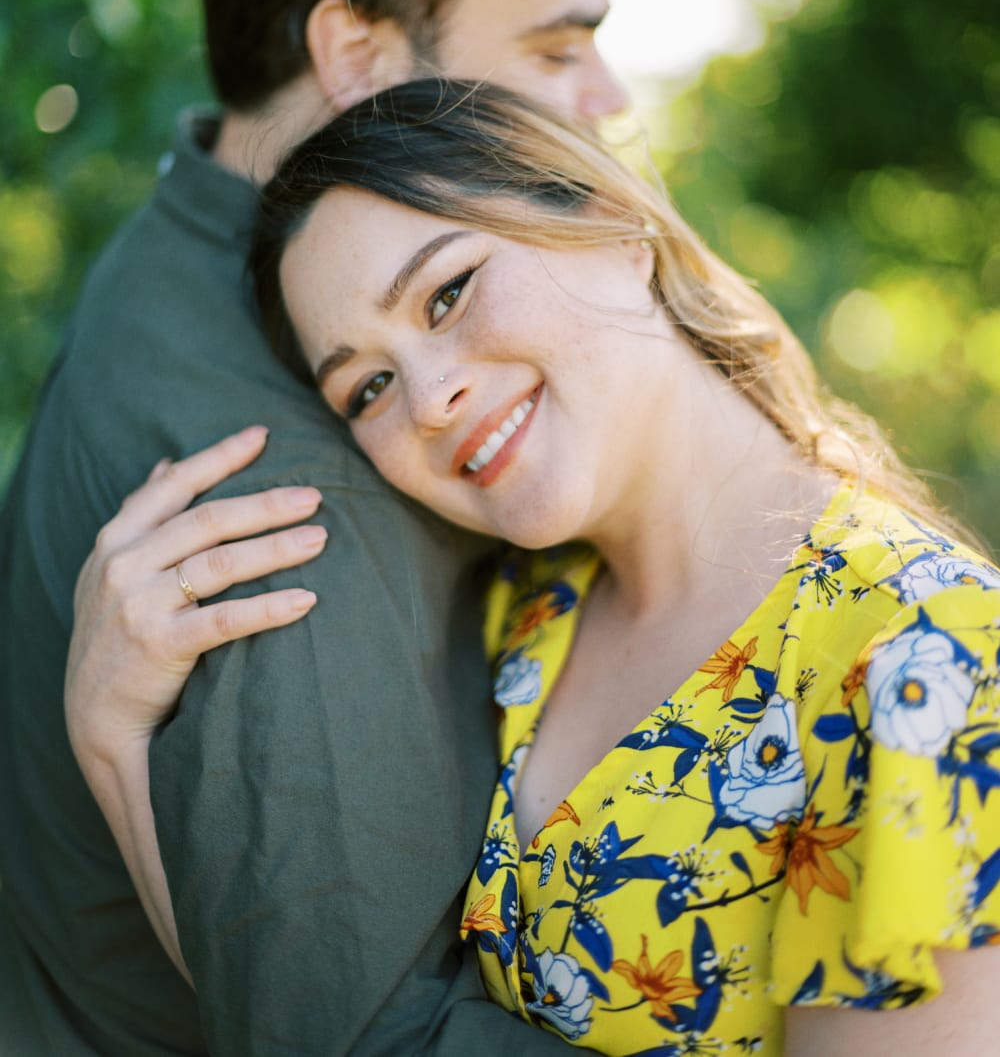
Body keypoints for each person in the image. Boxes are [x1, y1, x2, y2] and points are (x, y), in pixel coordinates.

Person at [68, 81, 1000, 1056]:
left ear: (613, 224)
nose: (429, 399)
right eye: (369, 385)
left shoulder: (931, 661)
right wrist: (114, 742)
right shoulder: (514, 613)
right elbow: (311, 1021)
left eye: (448, 291)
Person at [0, 0, 628, 1056]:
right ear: (355, 53)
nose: (605, 98)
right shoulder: (284, 496)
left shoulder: (186, 236)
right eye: (555, 46)